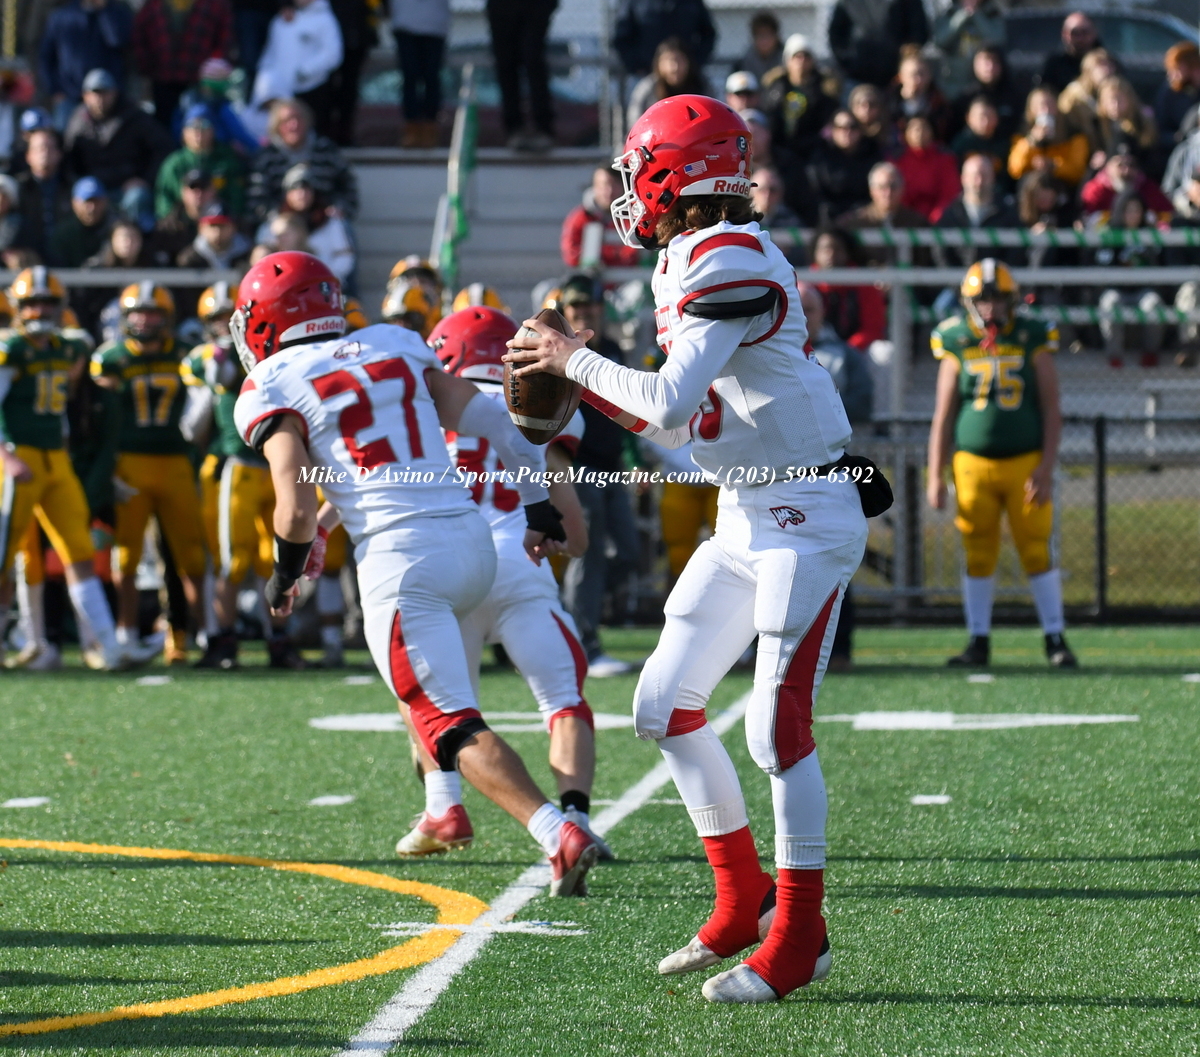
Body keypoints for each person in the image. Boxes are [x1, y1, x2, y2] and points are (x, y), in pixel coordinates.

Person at [506, 95, 872, 1003]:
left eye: (640, 172)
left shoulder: (730, 253)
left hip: (807, 510)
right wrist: (582, 375)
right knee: (661, 704)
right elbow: (675, 420)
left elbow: (669, 403)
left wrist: (573, 360)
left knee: (775, 729)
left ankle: (802, 934)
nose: (630, 192)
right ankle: (743, 896)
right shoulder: (689, 255)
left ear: (682, 175)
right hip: (747, 508)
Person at [230, 250, 600, 894]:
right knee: (449, 704)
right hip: (471, 543)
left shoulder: (270, 381)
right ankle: (447, 810)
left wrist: (284, 576)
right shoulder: (393, 343)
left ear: (264, 321)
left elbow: (293, 506)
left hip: (400, 563)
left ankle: (555, 832)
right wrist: (537, 503)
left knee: (447, 722)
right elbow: (494, 419)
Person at [394, 305, 609, 858]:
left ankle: (443, 806)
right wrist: (564, 542)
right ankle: (576, 818)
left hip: (450, 566)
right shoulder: (539, 407)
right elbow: (575, 532)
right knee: (563, 701)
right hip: (520, 567)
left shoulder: (423, 410)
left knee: (434, 705)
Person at [926, 259, 1076, 670]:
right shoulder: (955, 338)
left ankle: (1055, 638)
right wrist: (935, 474)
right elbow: (944, 414)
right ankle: (978, 640)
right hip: (972, 463)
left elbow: (1051, 406)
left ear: (1013, 299)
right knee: (977, 552)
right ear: (968, 301)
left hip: (1024, 462)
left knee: (1036, 548)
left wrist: (1046, 466)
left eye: (998, 297)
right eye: (983, 298)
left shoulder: (1031, 334)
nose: (990, 306)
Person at [0, 267, 144, 671]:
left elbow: (76, 357)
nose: (40, 311)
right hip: (19, 459)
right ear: (18, 307)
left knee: (80, 551)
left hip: (55, 460)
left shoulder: (65, 348)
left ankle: (107, 647)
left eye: (47, 303)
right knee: (3, 558)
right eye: (32, 303)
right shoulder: (11, 349)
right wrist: (7, 457)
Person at [183, 282, 306, 670]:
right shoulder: (210, 358)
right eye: (217, 319)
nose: (224, 326)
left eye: (229, 318)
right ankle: (223, 641)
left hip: (278, 466)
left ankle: (279, 640)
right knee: (232, 561)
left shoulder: (275, 350)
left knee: (278, 559)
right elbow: (194, 424)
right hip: (240, 466)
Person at [90, 283, 207, 665]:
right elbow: (98, 416)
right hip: (131, 464)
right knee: (126, 555)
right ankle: (126, 634)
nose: (144, 320)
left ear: (167, 318)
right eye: (138, 313)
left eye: (152, 313)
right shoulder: (112, 358)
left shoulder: (185, 355)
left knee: (191, 556)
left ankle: (201, 634)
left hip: (175, 463)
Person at [550, 275, 639, 679]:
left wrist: (634, 460)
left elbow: (629, 410)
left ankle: (570, 615)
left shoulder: (613, 350)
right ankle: (582, 646)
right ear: (565, 312)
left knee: (628, 552)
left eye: (591, 305)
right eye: (577, 306)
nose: (585, 312)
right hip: (576, 467)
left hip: (612, 466)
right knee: (588, 554)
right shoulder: (557, 354)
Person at [797, 281, 872, 673]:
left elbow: (862, 401)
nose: (802, 317)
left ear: (822, 313)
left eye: (809, 309)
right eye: (796, 308)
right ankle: (759, 650)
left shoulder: (843, 355)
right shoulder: (765, 352)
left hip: (831, 471)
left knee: (836, 559)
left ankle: (840, 649)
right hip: (780, 473)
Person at [63, 68, 174, 230]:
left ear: (114, 93)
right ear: (85, 95)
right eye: (95, 93)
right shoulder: (77, 122)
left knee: (137, 197)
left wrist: (145, 179)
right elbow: (69, 160)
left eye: (105, 92)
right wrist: (83, 184)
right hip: (95, 189)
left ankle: (134, 240)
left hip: (127, 187)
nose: (100, 98)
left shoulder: (134, 116)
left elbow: (163, 148)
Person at [247, 98, 358, 223]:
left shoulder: (326, 150)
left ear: (308, 121)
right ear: (277, 125)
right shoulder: (267, 156)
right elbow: (257, 197)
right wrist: (276, 217)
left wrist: (340, 209)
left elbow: (348, 184)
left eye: (298, 119)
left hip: (325, 221)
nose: (293, 125)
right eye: (287, 120)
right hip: (281, 224)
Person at [131, 0, 233, 127]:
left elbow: (224, 40)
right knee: (164, 124)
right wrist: (147, 68)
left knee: (199, 124)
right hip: (163, 78)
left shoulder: (214, 5)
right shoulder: (152, 5)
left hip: (199, 81)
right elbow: (139, 37)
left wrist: (214, 70)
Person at [251, 0, 343, 134]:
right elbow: (270, 54)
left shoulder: (325, 19)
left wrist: (306, 71)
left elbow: (333, 54)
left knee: (311, 132)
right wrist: (266, 79)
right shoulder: (281, 20)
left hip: (313, 89)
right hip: (283, 92)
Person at [38, 0, 134, 127]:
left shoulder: (118, 12)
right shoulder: (63, 16)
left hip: (107, 97)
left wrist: (104, 10)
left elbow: (118, 40)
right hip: (70, 95)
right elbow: (46, 56)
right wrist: (54, 89)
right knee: (66, 134)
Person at [254, 163, 354, 280]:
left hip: (324, 281)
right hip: (283, 283)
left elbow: (344, 257)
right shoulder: (273, 223)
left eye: (306, 189)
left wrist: (325, 278)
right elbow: (261, 257)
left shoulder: (330, 220)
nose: (302, 194)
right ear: (286, 193)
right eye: (295, 189)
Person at [487, 0, 558, 152]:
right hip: (501, 7)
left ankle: (543, 128)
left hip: (535, 5)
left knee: (533, 59)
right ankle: (514, 129)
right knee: (506, 62)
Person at [156, 104, 246, 222]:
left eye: (204, 125)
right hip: (183, 222)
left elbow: (237, 197)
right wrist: (172, 220)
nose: (198, 132)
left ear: (213, 130)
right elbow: (164, 197)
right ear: (184, 132)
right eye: (191, 126)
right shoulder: (174, 164)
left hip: (220, 221)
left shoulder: (226, 159)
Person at [762, 34, 838, 171]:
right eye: (797, 56)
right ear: (788, 61)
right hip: (780, 148)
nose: (801, 61)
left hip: (813, 151)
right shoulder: (775, 87)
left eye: (806, 56)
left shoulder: (824, 88)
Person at [807, 226, 887, 353]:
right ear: (815, 252)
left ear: (847, 252)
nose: (831, 254)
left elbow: (873, 328)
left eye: (837, 249)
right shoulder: (805, 285)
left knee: (884, 352)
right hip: (817, 349)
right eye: (825, 249)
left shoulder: (863, 283)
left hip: (858, 350)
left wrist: (848, 350)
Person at [936, 154, 1020, 266]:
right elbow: (941, 253)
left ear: (993, 178)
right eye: (975, 176)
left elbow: (1016, 253)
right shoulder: (950, 215)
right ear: (963, 178)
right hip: (957, 276)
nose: (979, 181)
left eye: (984, 175)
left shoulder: (1009, 213)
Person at [800, 110, 879, 225]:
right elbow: (815, 194)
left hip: (865, 219)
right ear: (832, 130)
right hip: (828, 220)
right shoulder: (820, 158)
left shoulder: (872, 154)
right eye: (840, 127)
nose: (847, 132)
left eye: (852, 127)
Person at [828, 0, 927, 89]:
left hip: (897, 77)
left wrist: (905, 61)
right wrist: (849, 62)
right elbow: (836, 34)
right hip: (858, 77)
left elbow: (919, 32)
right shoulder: (848, 2)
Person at [561, 165, 643, 269]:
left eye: (615, 185)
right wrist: (608, 255)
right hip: (592, 277)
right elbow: (571, 254)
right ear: (594, 187)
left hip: (633, 276)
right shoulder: (581, 217)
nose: (609, 191)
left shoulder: (637, 215)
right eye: (603, 185)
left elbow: (640, 254)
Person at [1007, 87, 1089, 190]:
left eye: (1050, 105)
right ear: (1031, 111)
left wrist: (1054, 166)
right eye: (1041, 106)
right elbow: (1015, 169)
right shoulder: (1022, 136)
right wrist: (1032, 141)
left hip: (1062, 189)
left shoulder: (1073, 135)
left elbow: (1078, 172)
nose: (1046, 110)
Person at [391, 0, 447, 149]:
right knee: (409, 77)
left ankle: (430, 127)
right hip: (405, 23)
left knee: (431, 78)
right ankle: (411, 128)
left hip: (435, 26)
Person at [613, 0, 715, 78]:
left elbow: (707, 33)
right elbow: (622, 37)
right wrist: (636, 66)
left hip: (686, 79)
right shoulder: (634, 2)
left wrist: (695, 63)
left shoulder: (691, 2)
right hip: (646, 74)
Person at [627, 37, 711, 129]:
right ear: (658, 63)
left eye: (679, 60)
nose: (675, 67)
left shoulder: (702, 86)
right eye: (669, 61)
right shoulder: (648, 89)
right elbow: (635, 123)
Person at [931, 0, 1004, 103]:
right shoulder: (948, 13)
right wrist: (962, 16)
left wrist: (977, 16)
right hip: (955, 82)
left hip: (985, 85)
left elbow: (998, 39)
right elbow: (939, 40)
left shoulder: (992, 13)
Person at [15, 129, 71, 261]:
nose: (44, 152)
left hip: (66, 258)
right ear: (28, 156)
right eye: (39, 148)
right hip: (28, 259)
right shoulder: (17, 188)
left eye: (49, 148)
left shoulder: (72, 187)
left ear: (59, 154)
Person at [326, 0, 376, 146]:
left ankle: (344, 133)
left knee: (349, 88)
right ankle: (325, 131)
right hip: (328, 35)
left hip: (356, 36)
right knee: (327, 89)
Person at [1079, 144, 1171, 223]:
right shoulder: (1096, 189)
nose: (1126, 171)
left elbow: (1167, 215)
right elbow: (1085, 220)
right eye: (1120, 165)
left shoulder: (1147, 188)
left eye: (1131, 165)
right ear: (1108, 166)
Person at [893, 115, 960, 222]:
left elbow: (950, 193)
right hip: (905, 220)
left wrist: (936, 217)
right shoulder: (897, 161)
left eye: (924, 128)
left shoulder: (945, 159)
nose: (919, 132)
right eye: (914, 129)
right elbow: (897, 194)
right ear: (906, 133)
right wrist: (909, 217)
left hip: (940, 221)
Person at [950, 45, 1021, 141]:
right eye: (985, 61)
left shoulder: (1015, 97)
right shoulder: (965, 99)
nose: (990, 67)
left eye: (995, 61)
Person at [1057, 48, 1118, 150]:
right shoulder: (1074, 96)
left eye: (1109, 65)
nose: (1107, 70)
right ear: (1089, 71)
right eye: (1101, 65)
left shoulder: (1116, 91)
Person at [887, 49, 951, 144]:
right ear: (901, 76)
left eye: (922, 74)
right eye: (913, 75)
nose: (918, 80)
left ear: (929, 75)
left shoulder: (940, 103)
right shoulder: (888, 103)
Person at [951, 96, 1011, 191]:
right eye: (981, 117)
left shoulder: (1005, 143)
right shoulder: (961, 144)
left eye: (990, 116)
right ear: (968, 118)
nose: (986, 122)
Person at [49, 175, 111, 267]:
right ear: (75, 203)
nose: (92, 208)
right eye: (87, 202)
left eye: (96, 201)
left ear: (105, 202)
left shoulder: (114, 230)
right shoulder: (64, 234)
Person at [176, 200, 252, 268]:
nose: (217, 231)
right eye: (212, 226)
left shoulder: (248, 255)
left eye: (222, 225)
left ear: (233, 227)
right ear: (201, 228)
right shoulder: (189, 260)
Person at [1040, 11, 1100, 94]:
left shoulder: (1105, 62)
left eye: (1085, 32)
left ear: (1094, 33)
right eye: (1074, 33)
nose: (1080, 38)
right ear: (1064, 34)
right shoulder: (1054, 65)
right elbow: (1043, 92)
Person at [1157, 44, 1200, 153]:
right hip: (1177, 147)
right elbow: (1160, 130)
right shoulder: (1170, 92)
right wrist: (1178, 137)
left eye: (1177, 68)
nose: (1172, 74)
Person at [848, 83, 898, 157]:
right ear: (853, 107)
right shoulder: (843, 129)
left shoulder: (890, 132)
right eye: (861, 104)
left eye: (872, 104)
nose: (867, 109)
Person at [741, 11, 782, 83]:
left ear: (776, 36)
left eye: (768, 35)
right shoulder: (747, 59)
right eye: (760, 35)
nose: (764, 40)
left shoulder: (785, 57)